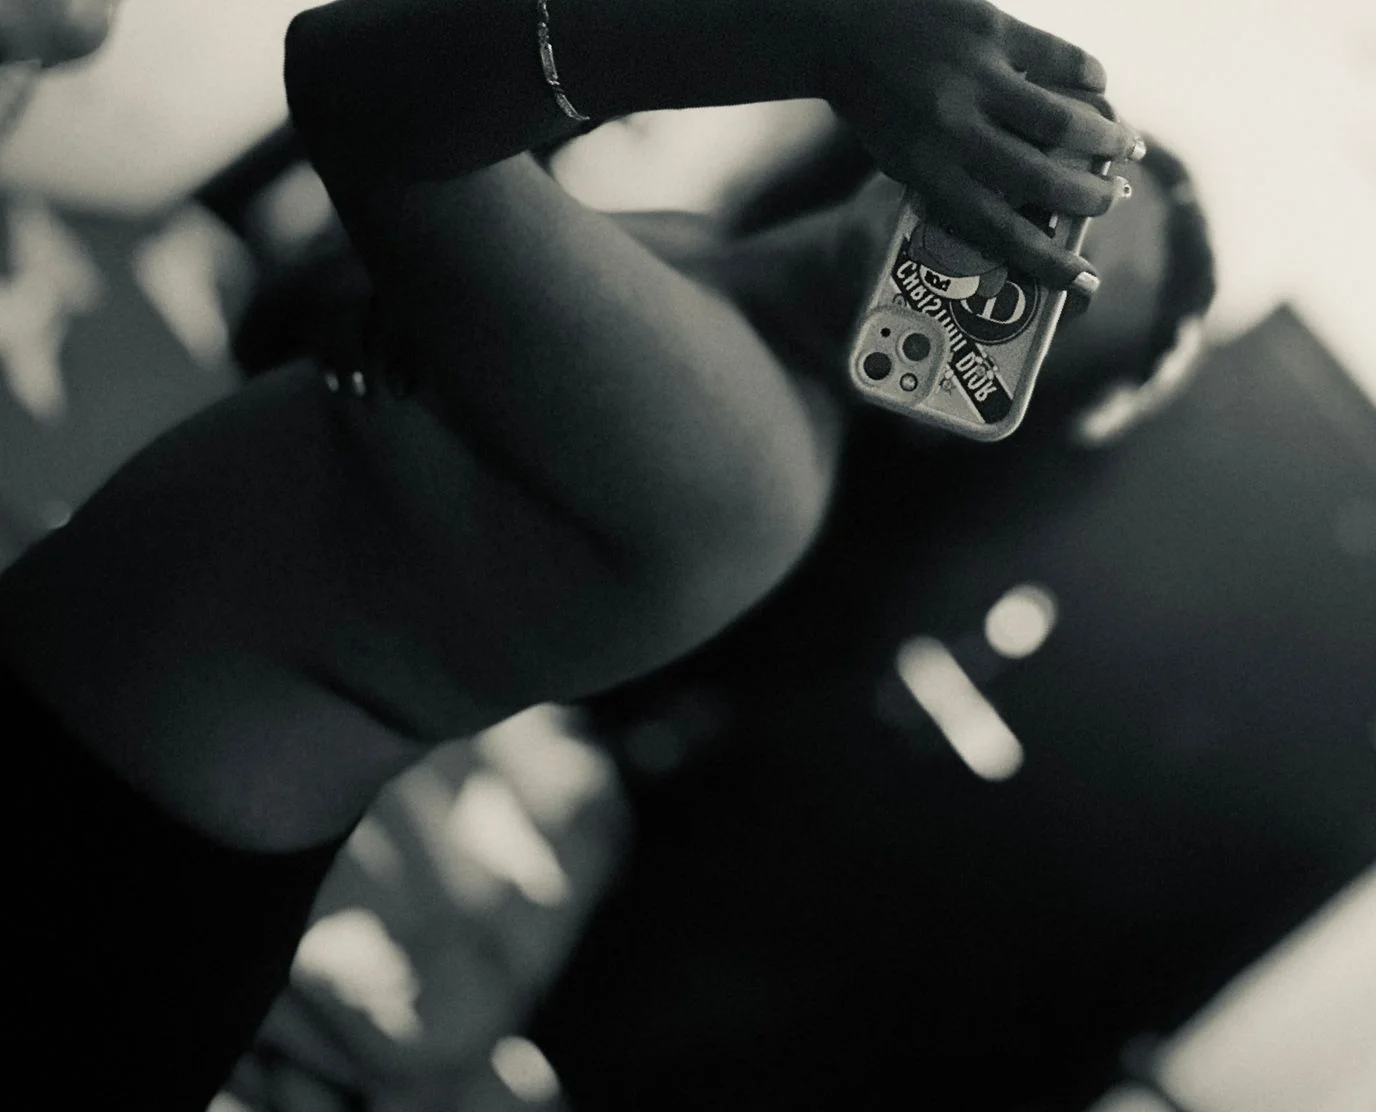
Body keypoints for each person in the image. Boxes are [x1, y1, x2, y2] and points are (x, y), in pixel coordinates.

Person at [1, 0, 1144, 1104]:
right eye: (1050, 185)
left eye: (1061, 274)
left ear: (1030, 390)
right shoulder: (707, 259)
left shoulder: (737, 444)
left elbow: (347, 82)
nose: (1013, 234)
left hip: (99, 867)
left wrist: (818, 31)